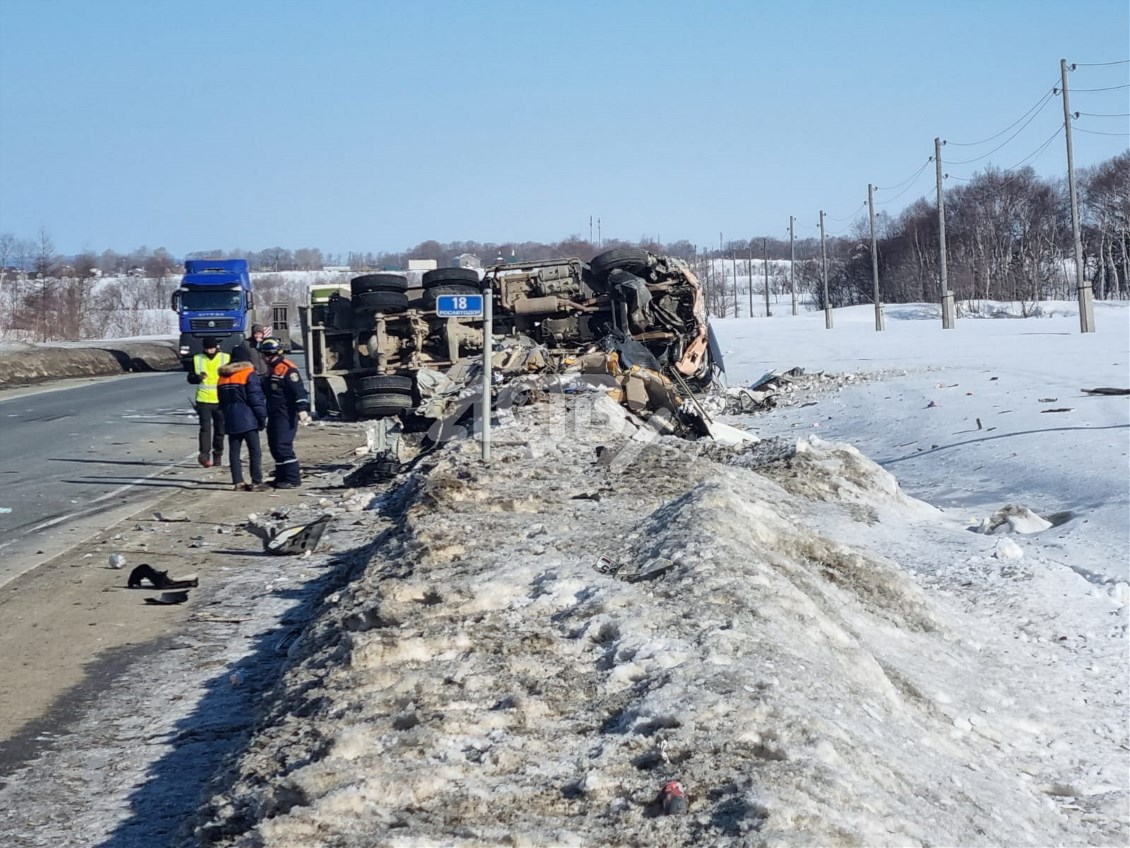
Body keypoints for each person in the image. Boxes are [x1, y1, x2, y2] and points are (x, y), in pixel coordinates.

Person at [258, 337, 310, 489]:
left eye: (268, 355)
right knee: (274, 445)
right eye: (264, 354)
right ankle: (281, 477)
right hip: (274, 413)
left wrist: (302, 411)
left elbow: (299, 391)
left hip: (286, 414)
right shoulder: (271, 369)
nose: (265, 357)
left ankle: (293, 479)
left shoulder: (288, 369)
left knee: (283, 446)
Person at [218, 346, 269, 491]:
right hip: (248, 418)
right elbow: (255, 398)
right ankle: (256, 481)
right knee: (254, 450)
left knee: (234, 451)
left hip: (230, 417)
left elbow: (220, 400)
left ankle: (238, 482)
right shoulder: (248, 373)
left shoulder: (223, 376)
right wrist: (262, 417)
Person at [186, 337, 230, 468]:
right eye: (207, 348)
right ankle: (204, 455)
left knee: (220, 429)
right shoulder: (198, 359)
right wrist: (197, 378)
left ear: (216, 347)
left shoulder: (226, 358)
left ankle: (218, 454)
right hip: (203, 399)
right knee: (205, 428)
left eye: (212, 347)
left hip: (221, 399)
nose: (210, 350)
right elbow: (190, 378)